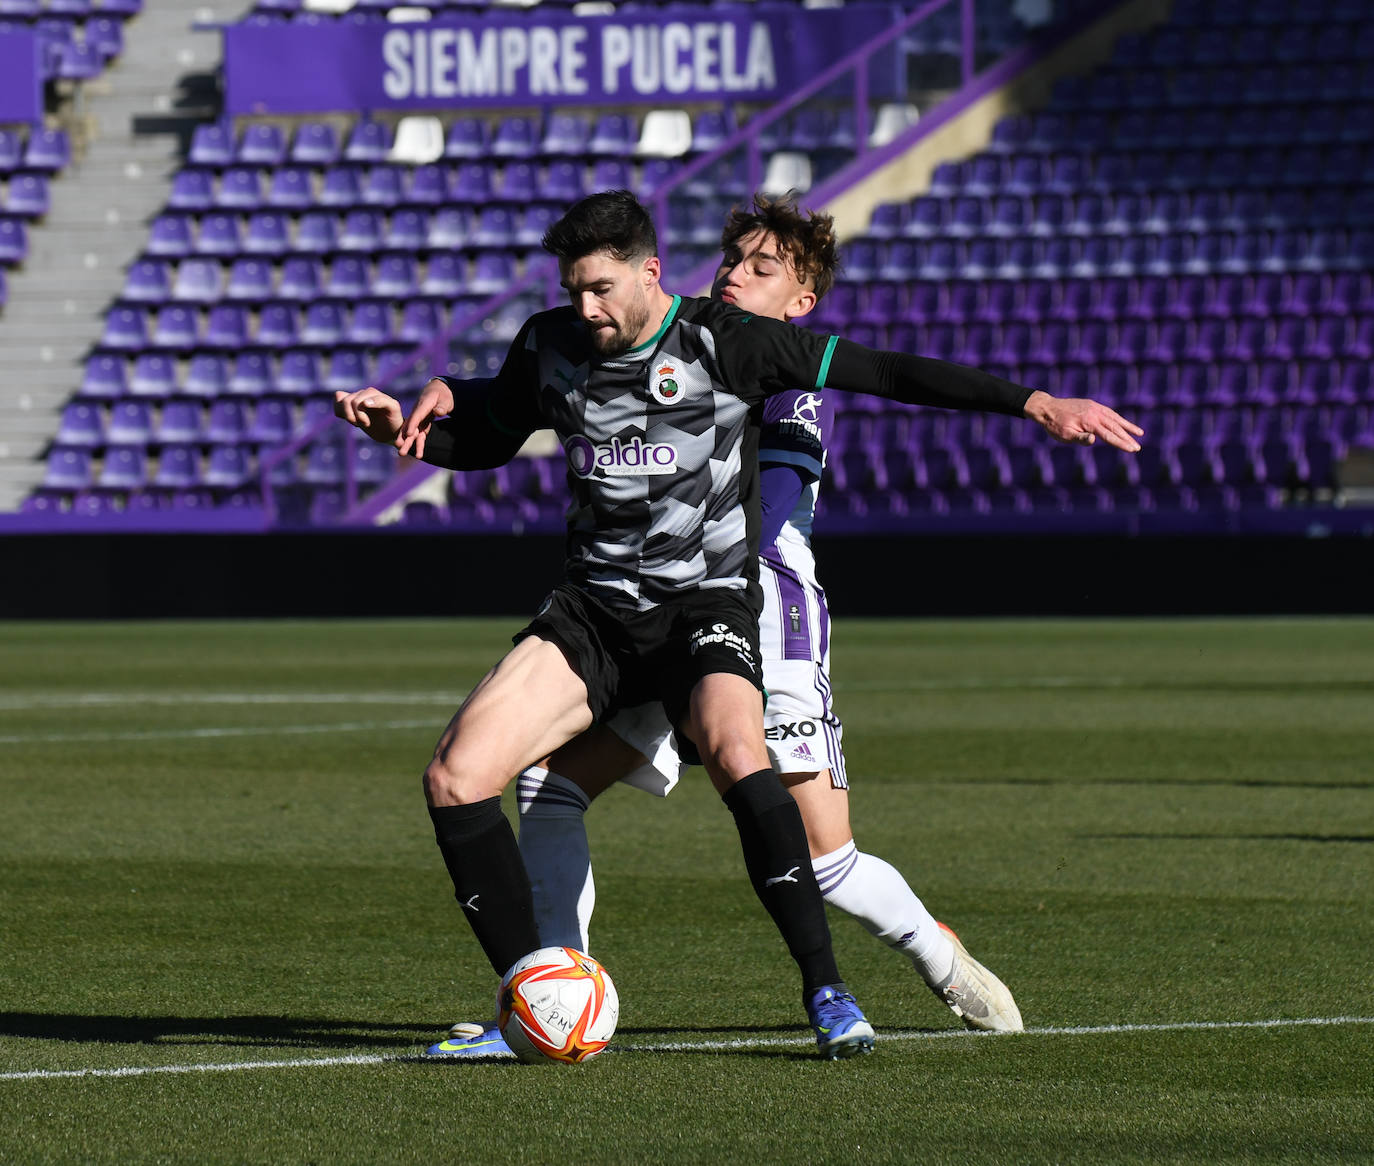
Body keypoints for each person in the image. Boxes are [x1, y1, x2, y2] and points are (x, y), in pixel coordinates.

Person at [334, 189, 1142, 1061]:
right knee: (522, 785)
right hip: (608, 614)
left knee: (814, 844)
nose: (733, 277)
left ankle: (896, 969)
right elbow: (508, 417)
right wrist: (440, 411)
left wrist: (1034, 403)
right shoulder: (576, 339)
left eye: (762, 270)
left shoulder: (756, 356)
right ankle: (544, 1000)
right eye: (733, 262)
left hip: (745, 605)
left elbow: (867, 394)